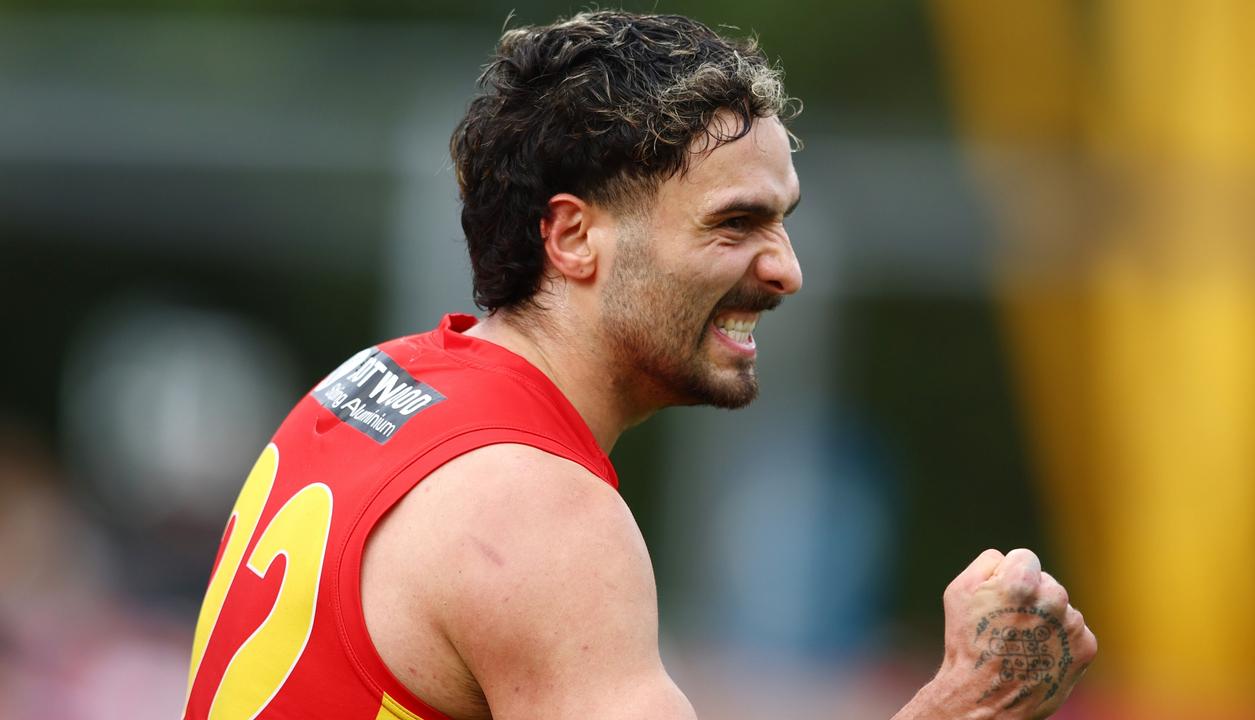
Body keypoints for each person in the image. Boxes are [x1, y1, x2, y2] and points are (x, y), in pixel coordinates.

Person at [182, 10, 1096, 720]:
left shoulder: (377, 382)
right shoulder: (540, 509)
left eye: (783, 220)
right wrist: (970, 703)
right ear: (574, 237)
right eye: (734, 224)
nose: (786, 268)